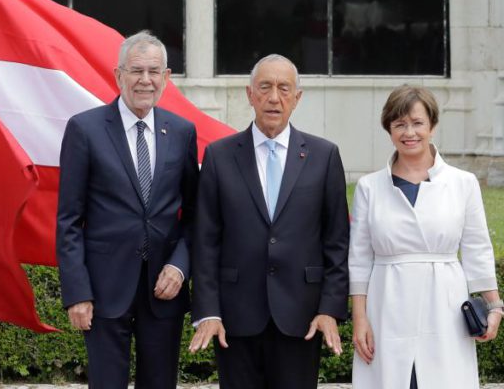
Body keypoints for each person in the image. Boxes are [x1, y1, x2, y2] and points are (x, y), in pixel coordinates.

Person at [188, 54, 350, 389]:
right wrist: (208, 311)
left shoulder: (324, 156)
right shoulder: (219, 156)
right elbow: (205, 241)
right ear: (250, 95)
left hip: (301, 317)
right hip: (235, 319)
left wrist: (330, 310)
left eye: (283, 88)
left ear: (297, 98)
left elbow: (336, 242)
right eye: (265, 87)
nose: (273, 97)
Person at [56, 31, 198, 388]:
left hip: (163, 292)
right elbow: (69, 220)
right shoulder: (85, 129)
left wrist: (180, 267)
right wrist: (77, 292)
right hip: (104, 291)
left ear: (166, 78)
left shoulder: (182, 132)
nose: (145, 80)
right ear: (118, 75)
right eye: (136, 71)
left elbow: (196, 216)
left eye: (154, 72)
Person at [349, 85, 502, 388]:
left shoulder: (463, 183)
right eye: (399, 124)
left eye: (417, 123)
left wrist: (494, 306)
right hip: (387, 302)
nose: (409, 132)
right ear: (388, 129)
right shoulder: (370, 187)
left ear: (432, 125)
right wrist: (360, 319)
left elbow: (477, 248)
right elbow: (359, 257)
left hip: (443, 302)